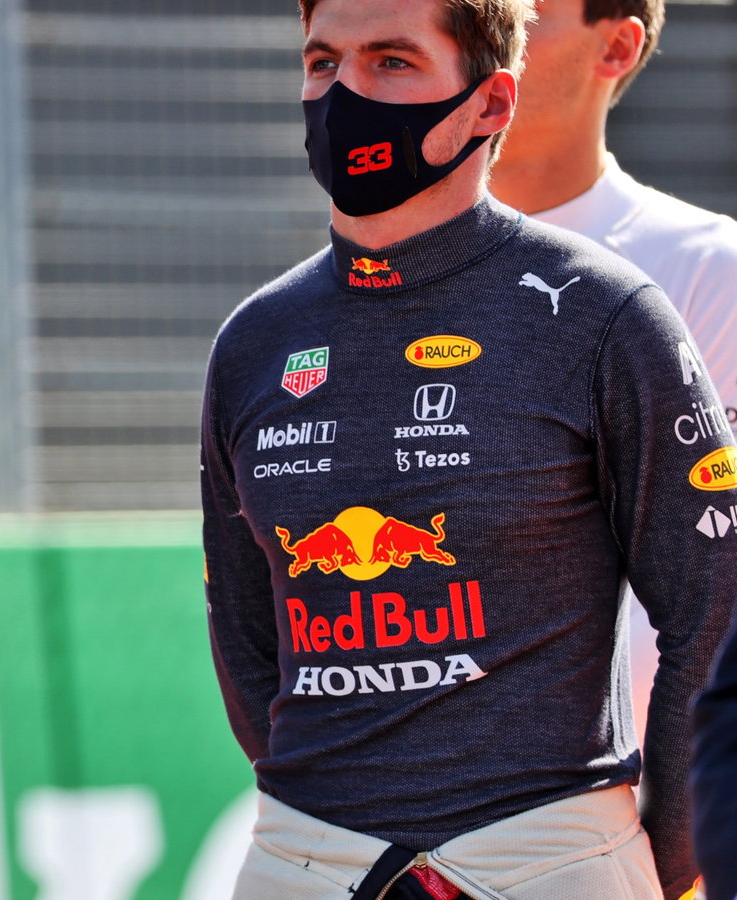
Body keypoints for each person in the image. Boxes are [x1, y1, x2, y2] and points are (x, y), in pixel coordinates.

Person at [199, 0, 736, 897]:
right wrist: (337, 812)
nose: (345, 95)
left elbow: (709, 611)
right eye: (324, 62)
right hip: (304, 854)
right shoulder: (254, 341)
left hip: (556, 849)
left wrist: (640, 857)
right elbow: (248, 638)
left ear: (491, 103)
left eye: (393, 62)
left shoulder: (609, 311)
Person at [489, 0, 737, 772]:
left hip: (641, 813)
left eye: (526, 14)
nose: (490, 37)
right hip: (422, 813)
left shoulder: (709, 265)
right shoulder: (377, 270)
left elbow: (716, 571)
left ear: (618, 47)